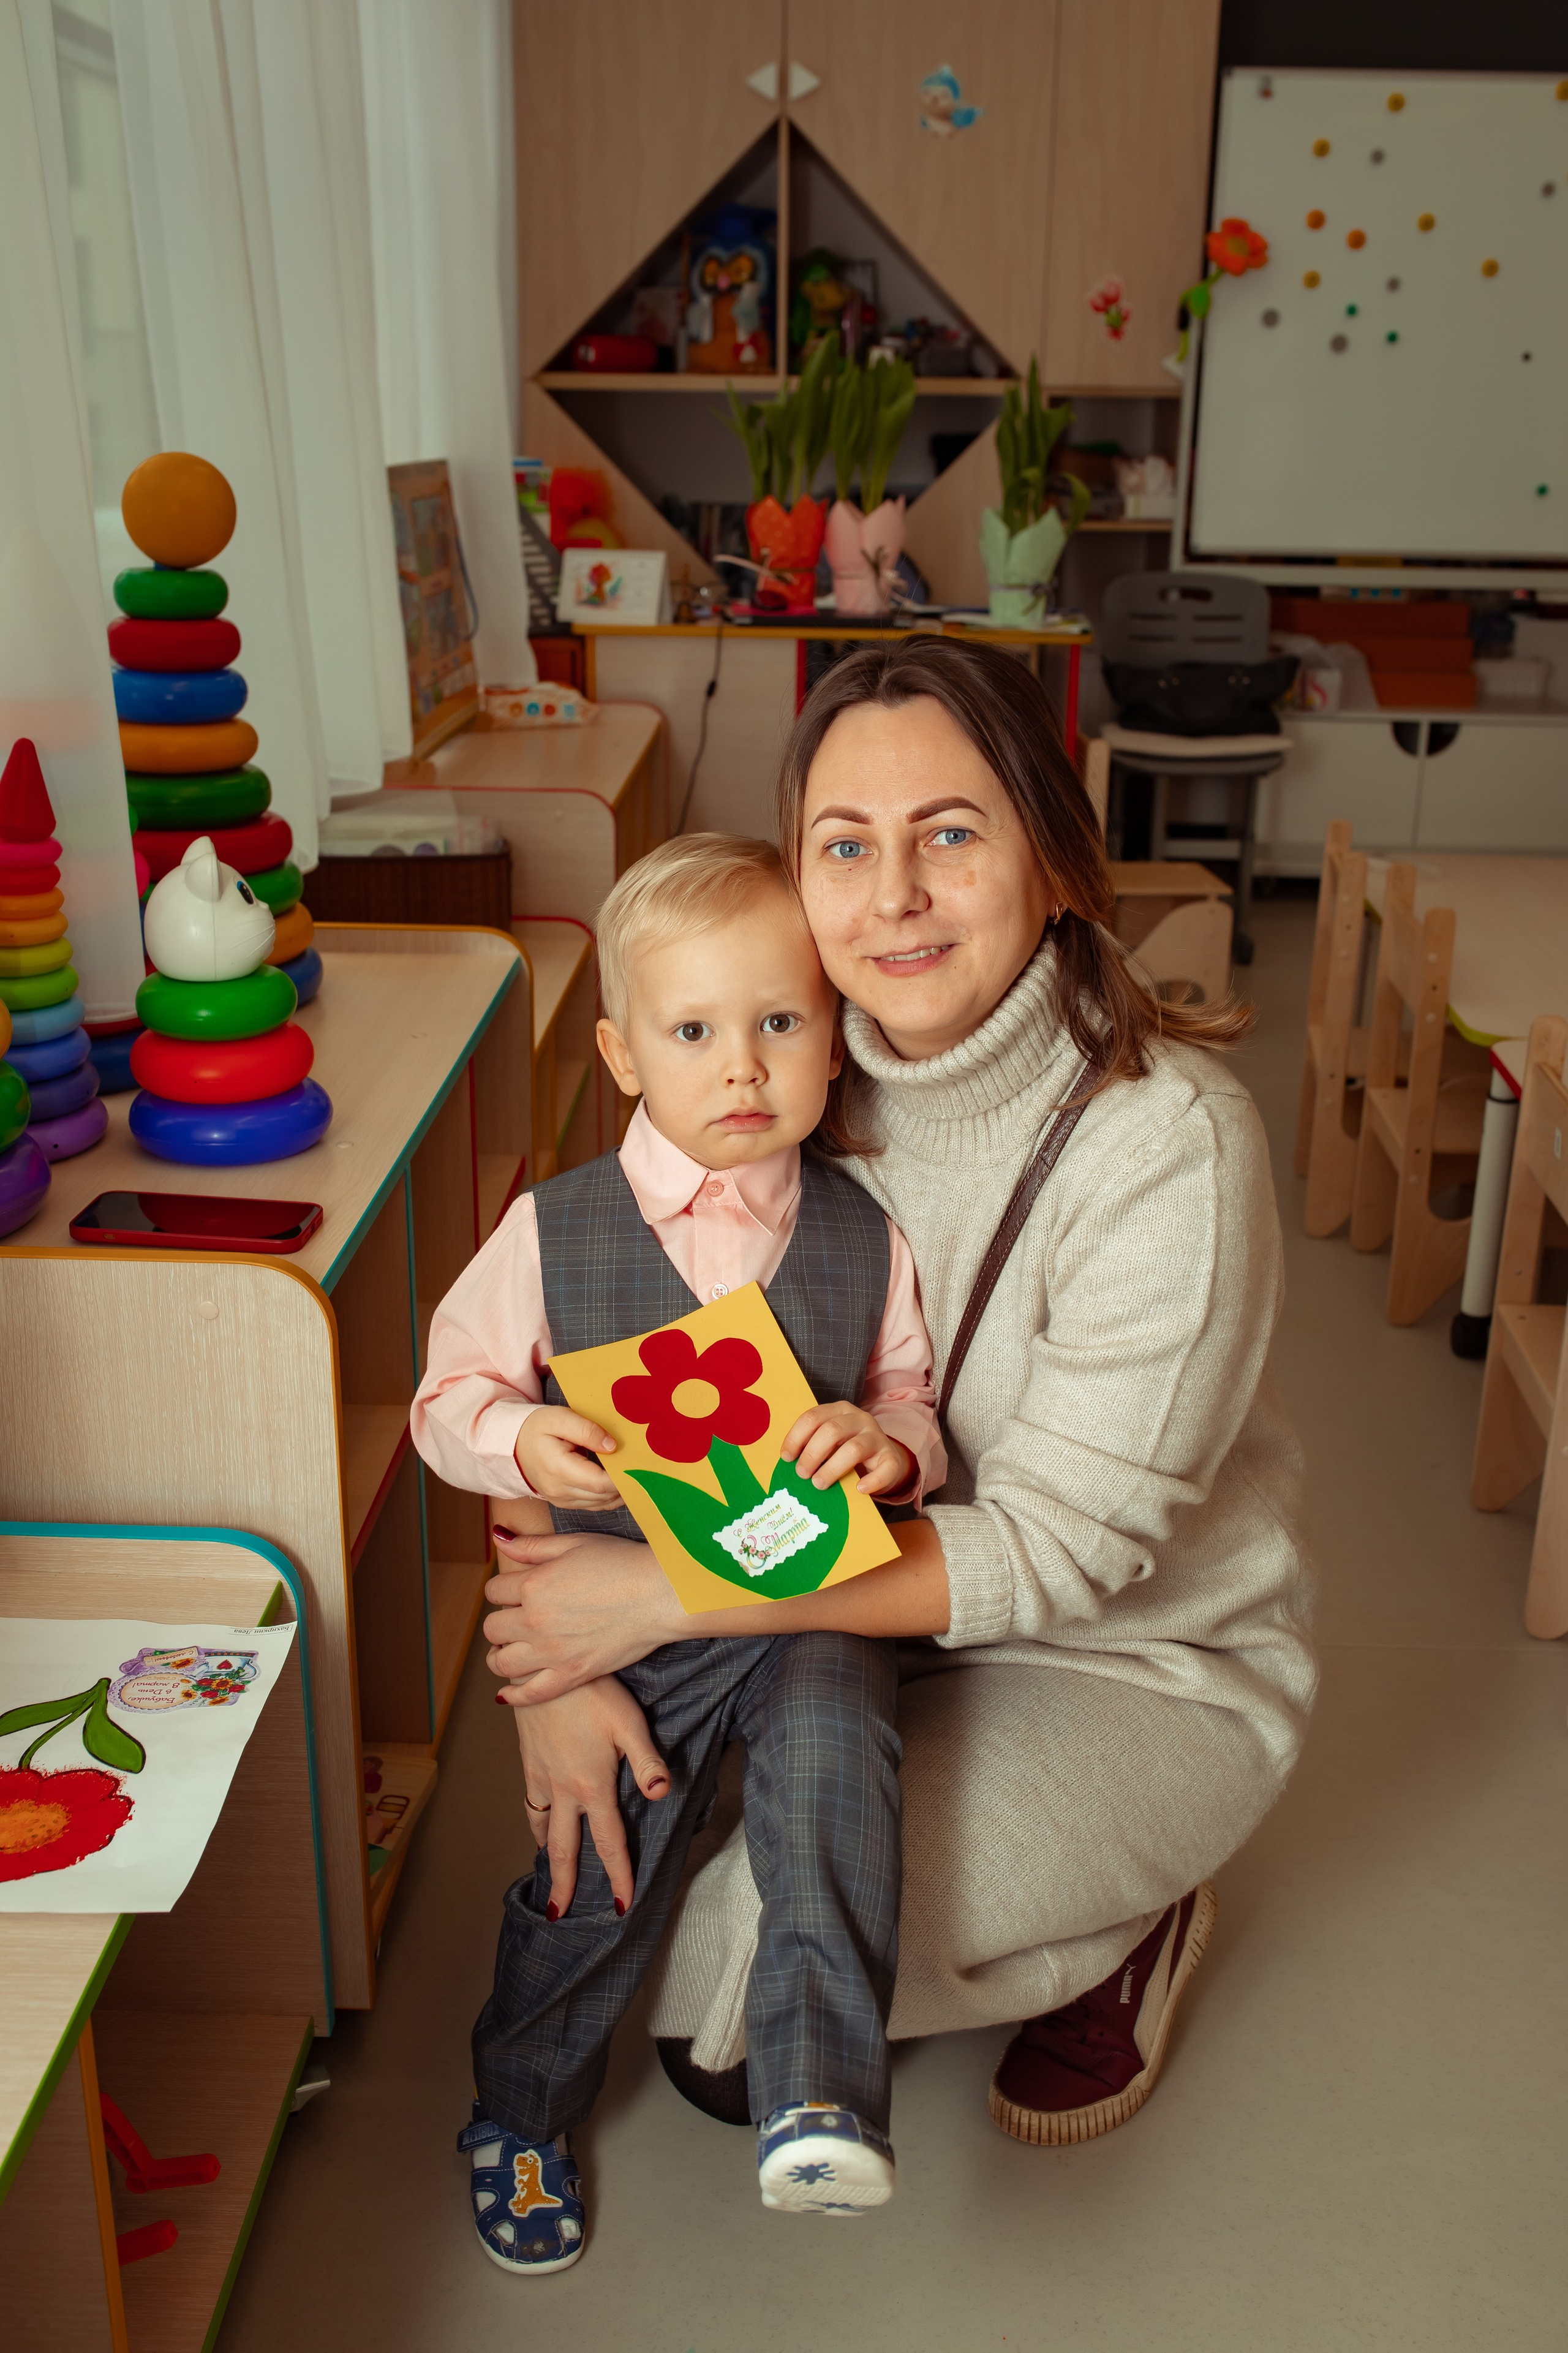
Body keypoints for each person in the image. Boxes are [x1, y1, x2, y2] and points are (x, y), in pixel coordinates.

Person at [478, 636, 1317, 2159]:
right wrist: (558, 1676)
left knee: (721, 2012)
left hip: (1117, 1656)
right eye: (843, 847)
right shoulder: (781, 1075)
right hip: (836, 1619)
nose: (894, 899)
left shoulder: (1168, 1150)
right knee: (632, 1896)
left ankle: (1137, 1908)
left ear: (1052, 855)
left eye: (949, 833)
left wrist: (654, 1600)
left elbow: (1053, 1556)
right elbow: (573, 1342)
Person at [411, 834, 945, 2271]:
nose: (742, 1069)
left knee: (840, 1770)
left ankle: (818, 2089)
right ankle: (517, 2108)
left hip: (805, 1597)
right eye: (694, 1031)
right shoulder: (551, 1229)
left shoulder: (861, 1232)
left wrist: (891, 1448)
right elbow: (441, 1397)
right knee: (596, 1867)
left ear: (835, 1038)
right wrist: (520, 1437)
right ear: (623, 1051)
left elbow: (912, 1399)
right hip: (621, 1621)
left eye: (779, 1023)